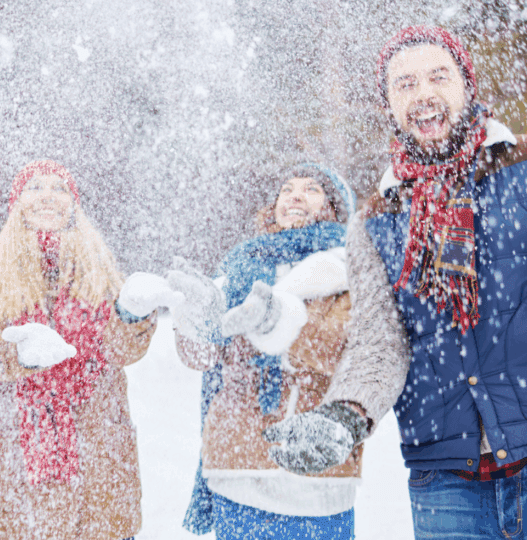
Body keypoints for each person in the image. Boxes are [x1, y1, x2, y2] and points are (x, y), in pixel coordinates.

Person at [264, 26, 527, 539]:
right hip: (447, 481)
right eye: (404, 84)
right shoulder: (375, 220)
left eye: (437, 76)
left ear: (466, 85)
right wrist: (345, 414)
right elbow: (379, 344)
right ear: (389, 104)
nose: (422, 92)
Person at [119, 163, 361, 539]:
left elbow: (342, 350)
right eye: (286, 189)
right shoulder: (241, 267)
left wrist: (280, 323)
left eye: (311, 189)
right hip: (237, 471)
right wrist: (192, 317)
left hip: (318, 477)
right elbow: (203, 358)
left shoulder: (351, 269)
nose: (295, 195)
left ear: (335, 208)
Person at [0, 159, 158, 540]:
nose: (47, 196)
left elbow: (121, 352)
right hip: (15, 458)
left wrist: (132, 317)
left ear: (74, 204)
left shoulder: (103, 273)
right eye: (35, 187)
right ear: (17, 203)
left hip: (97, 457)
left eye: (59, 188)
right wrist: (18, 356)